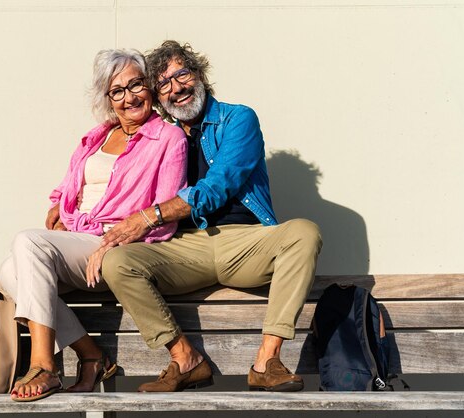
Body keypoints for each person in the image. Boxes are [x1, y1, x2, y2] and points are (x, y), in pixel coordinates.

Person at [94, 41, 322, 392]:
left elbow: (217, 186)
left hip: (244, 242)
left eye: (181, 75)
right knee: (118, 262)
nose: (176, 88)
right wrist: (66, 207)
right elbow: (116, 184)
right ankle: (185, 358)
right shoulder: (159, 138)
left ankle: (266, 361)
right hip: (183, 248)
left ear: (199, 75)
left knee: (304, 232)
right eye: (164, 84)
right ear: (158, 97)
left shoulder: (238, 119)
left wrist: (150, 215)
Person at [0, 48, 187, 401]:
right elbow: (71, 183)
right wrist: (59, 203)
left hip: (112, 247)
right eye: (117, 90)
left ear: (149, 87)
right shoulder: (97, 137)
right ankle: (91, 353)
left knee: (27, 242)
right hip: (76, 240)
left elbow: (162, 221)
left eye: (136, 85)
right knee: (9, 272)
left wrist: (111, 244)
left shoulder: (168, 139)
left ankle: (44, 365)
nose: (129, 97)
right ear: (107, 98)